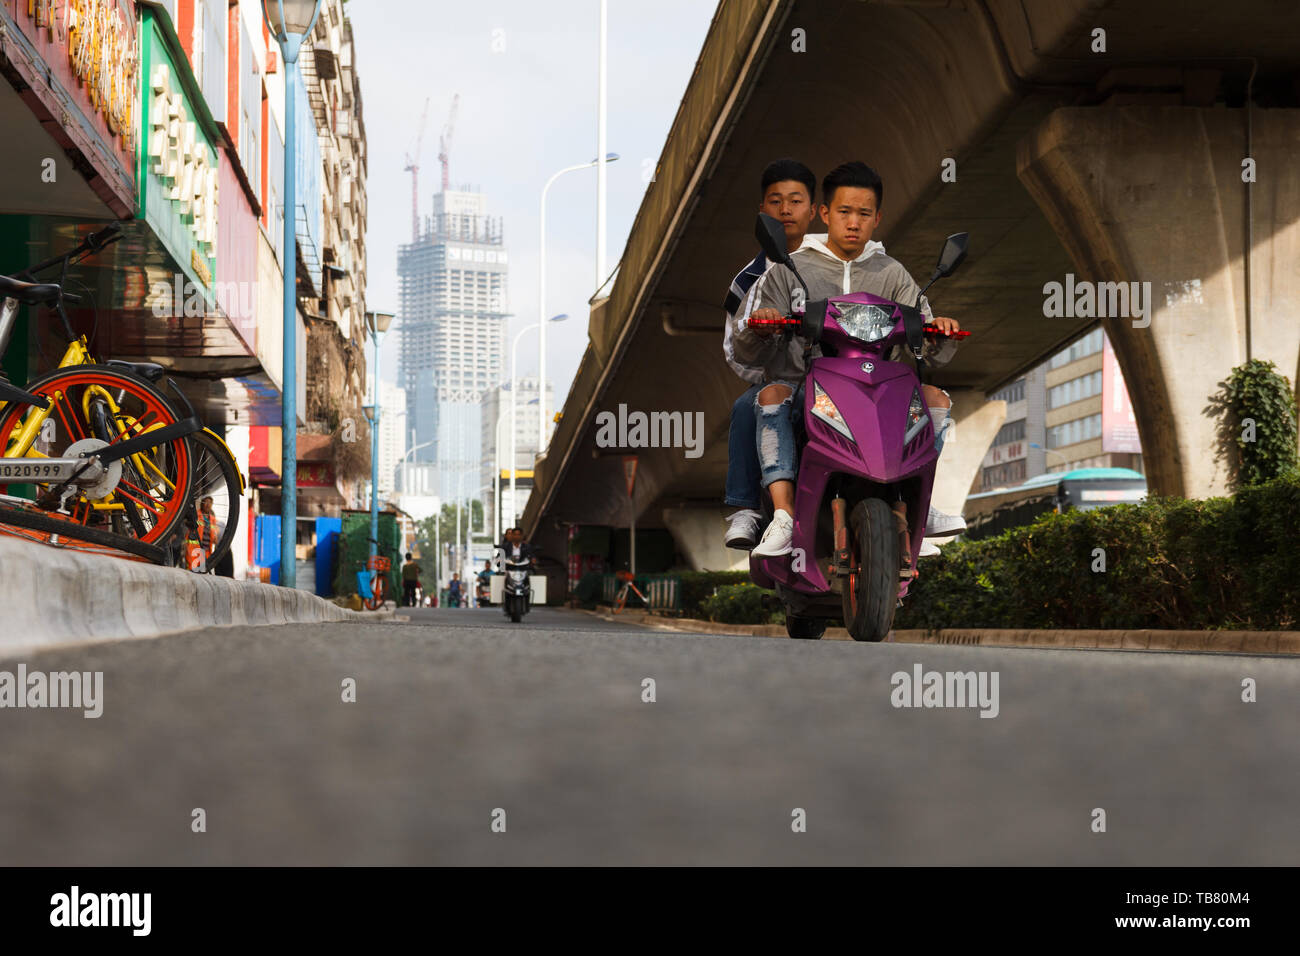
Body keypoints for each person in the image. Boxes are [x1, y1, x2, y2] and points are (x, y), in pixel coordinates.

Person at [735, 161, 966, 559]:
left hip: (878, 386)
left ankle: (918, 504)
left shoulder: (892, 274)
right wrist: (763, 326)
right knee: (770, 396)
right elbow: (748, 351)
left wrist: (937, 329)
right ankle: (784, 516)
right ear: (825, 214)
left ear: (877, 219)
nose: (853, 223)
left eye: (863, 214)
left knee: (936, 399)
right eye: (844, 212)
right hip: (802, 384)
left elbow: (928, 344)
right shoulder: (789, 270)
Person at [721, 158, 821, 551]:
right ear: (762, 211)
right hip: (781, 384)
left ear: (814, 210)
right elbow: (733, 350)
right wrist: (766, 346)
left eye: (795, 201)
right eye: (775, 201)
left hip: (840, 380)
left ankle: (911, 503)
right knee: (748, 407)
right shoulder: (747, 280)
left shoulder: (838, 266)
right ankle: (747, 508)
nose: (785, 210)